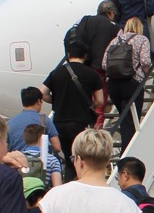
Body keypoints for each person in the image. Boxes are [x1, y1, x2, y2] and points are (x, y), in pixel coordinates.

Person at [40, 43, 105, 181]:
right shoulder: (91, 74)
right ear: (85, 56)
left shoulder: (56, 73)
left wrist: (56, 101)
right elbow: (100, 100)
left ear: (68, 55)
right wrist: (89, 104)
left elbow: (42, 93)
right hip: (81, 122)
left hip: (60, 123)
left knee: (69, 161)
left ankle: (69, 185)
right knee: (82, 158)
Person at [105, 17, 151, 151]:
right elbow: (145, 62)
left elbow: (104, 63)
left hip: (113, 84)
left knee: (125, 119)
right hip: (132, 83)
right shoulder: (142, 39)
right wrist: (146, 74)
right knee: (130, 123)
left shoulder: (114, 41)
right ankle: (126, 155)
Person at [6, 86, 62, 154]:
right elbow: (57, 147)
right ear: (38, 101)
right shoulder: (44, 120)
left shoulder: (10, 123)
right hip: (40, 162)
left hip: (17, 162)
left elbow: (4, 149)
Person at [20, 123, 63, 188]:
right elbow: (57, 187)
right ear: (42, 138)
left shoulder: (17, 158)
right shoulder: (52, 160)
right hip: (42, 196)